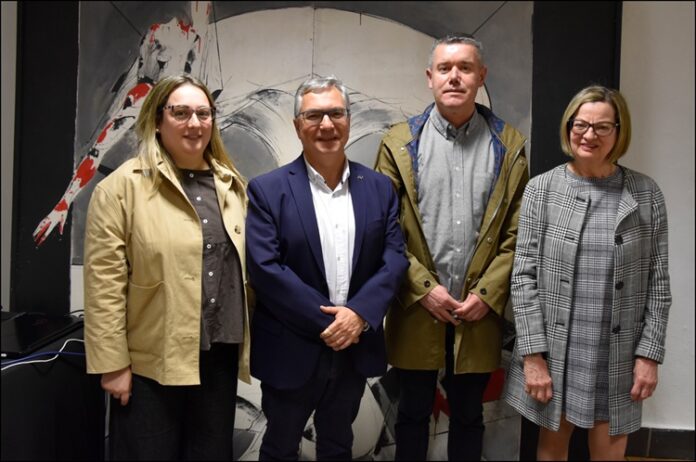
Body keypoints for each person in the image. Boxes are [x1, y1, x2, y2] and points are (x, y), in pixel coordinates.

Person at [373, 33, 529, 460]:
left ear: (481, 75)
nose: (454, 77)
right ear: (430, 77)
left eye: (465, 68)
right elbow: (384, 228)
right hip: (415, 306)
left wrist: (487, 294)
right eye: (445, 68)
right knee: (411, 412)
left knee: (468, 414)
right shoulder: (398, 144)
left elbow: (517, 233)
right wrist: (423, 289)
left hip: (477, 313)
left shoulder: (509, 146)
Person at [83, 74, 251, 460]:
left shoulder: (231, 185)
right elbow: (104, 283)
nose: (195, 123)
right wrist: (112, 365)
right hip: (151, 362)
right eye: (181, 113)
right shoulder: (122, 188)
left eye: (203, 113)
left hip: (218, 357)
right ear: (158, 120)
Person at [503, 85, 672, 460]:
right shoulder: (542, 190)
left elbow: (659, 286)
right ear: (568, 127)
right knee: (551, 449)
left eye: (602, 127)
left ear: (619, 131)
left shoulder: (646, 193)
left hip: (618, 353)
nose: (589, 135)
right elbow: (523, 277)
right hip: (557, 349)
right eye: (580, 124)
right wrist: (532, 356)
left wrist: (649, 356)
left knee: (609, 452)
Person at [245, 75, 409, 460]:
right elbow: (266, 268)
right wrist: (333, 323)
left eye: (336, 113)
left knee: (339, 447)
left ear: (348, 119)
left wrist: (359, 315)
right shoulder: (267, 189)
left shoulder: (379, 188)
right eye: (314, 115)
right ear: (297, 125)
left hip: (354, 350)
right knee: (280, 449)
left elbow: (394, 258)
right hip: (290, 350)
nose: (326, 124)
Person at [33, 1, 217, 246]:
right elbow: (96, 153)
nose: (172, 22)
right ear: (158, 57)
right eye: (161, 34)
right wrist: (64, 203)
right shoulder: (142, 97)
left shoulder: (190, 95)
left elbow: (199, 26)